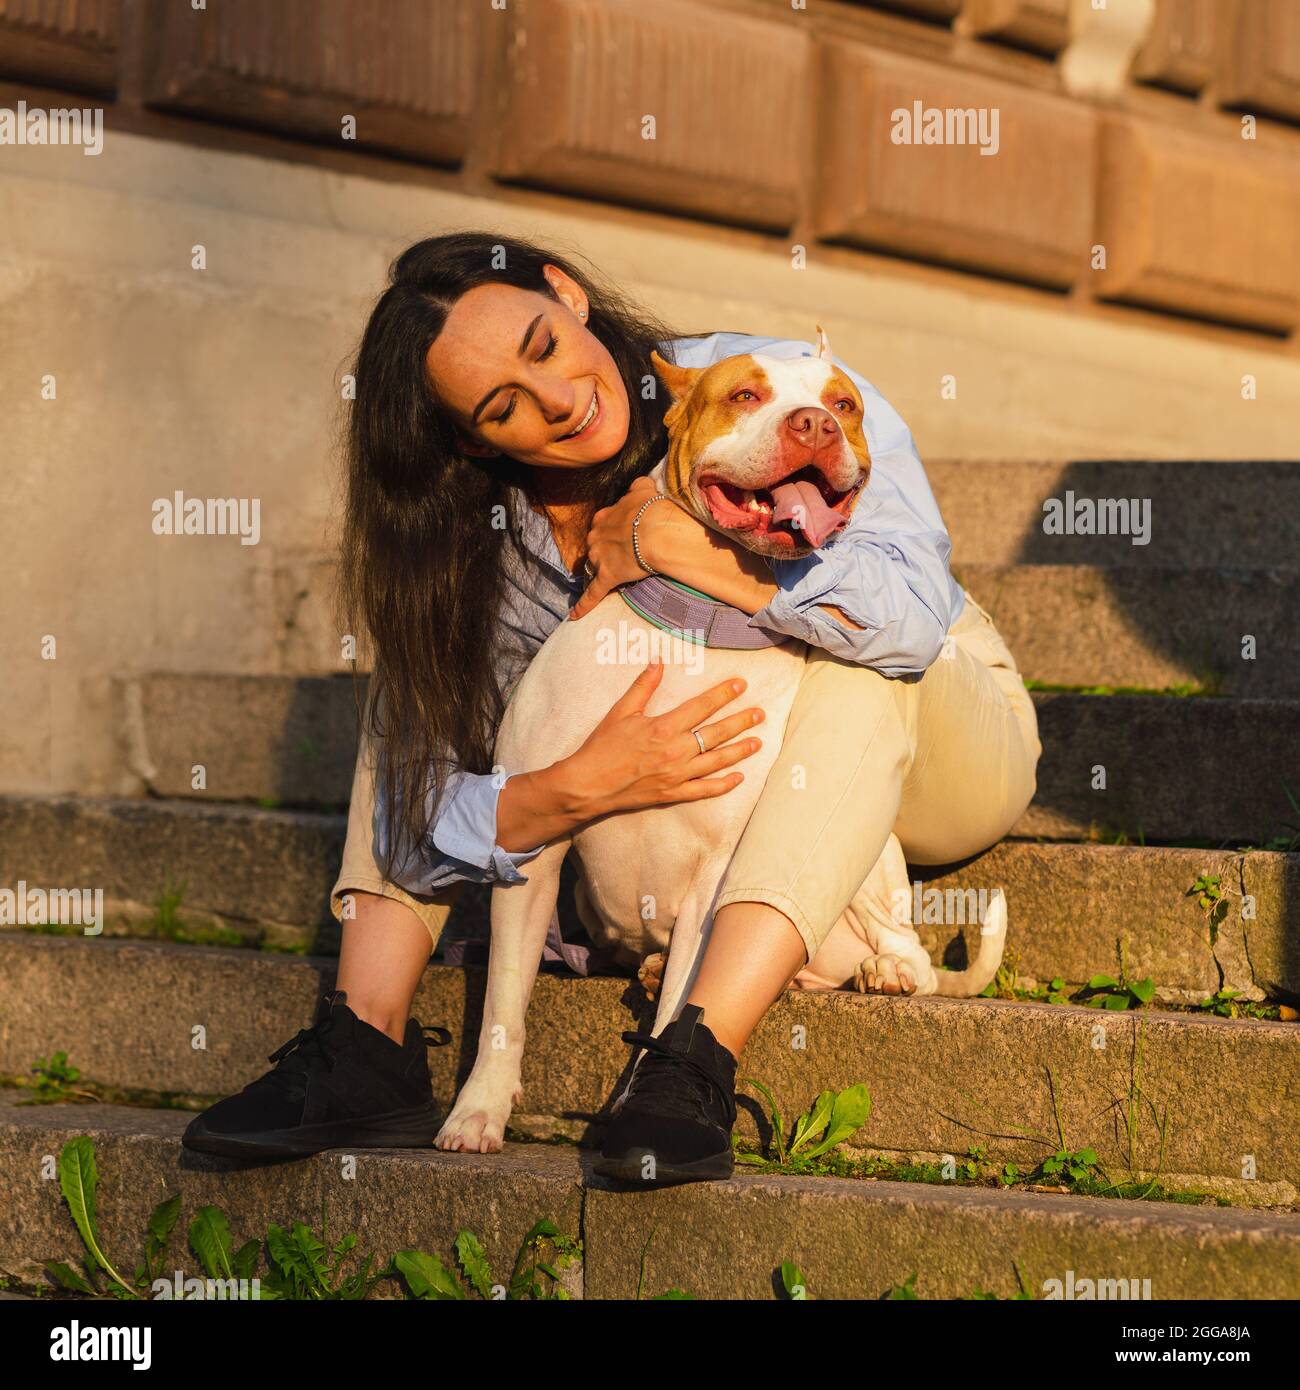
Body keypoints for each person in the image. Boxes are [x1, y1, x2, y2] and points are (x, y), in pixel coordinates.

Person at [183, 231, 1039, 1182]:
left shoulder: (776, 387)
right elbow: (429, 817)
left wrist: (680, 550)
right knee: (418, 662)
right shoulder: (483, 547)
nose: (555, 399)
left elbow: (912, 625)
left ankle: (697, 1055)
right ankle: (368, 1046)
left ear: (569, 293)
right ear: (472, 439)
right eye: (504, 404)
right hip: (752, 795)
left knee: (849, 655)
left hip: (946, 727)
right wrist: (563, 792)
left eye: (543, 346)